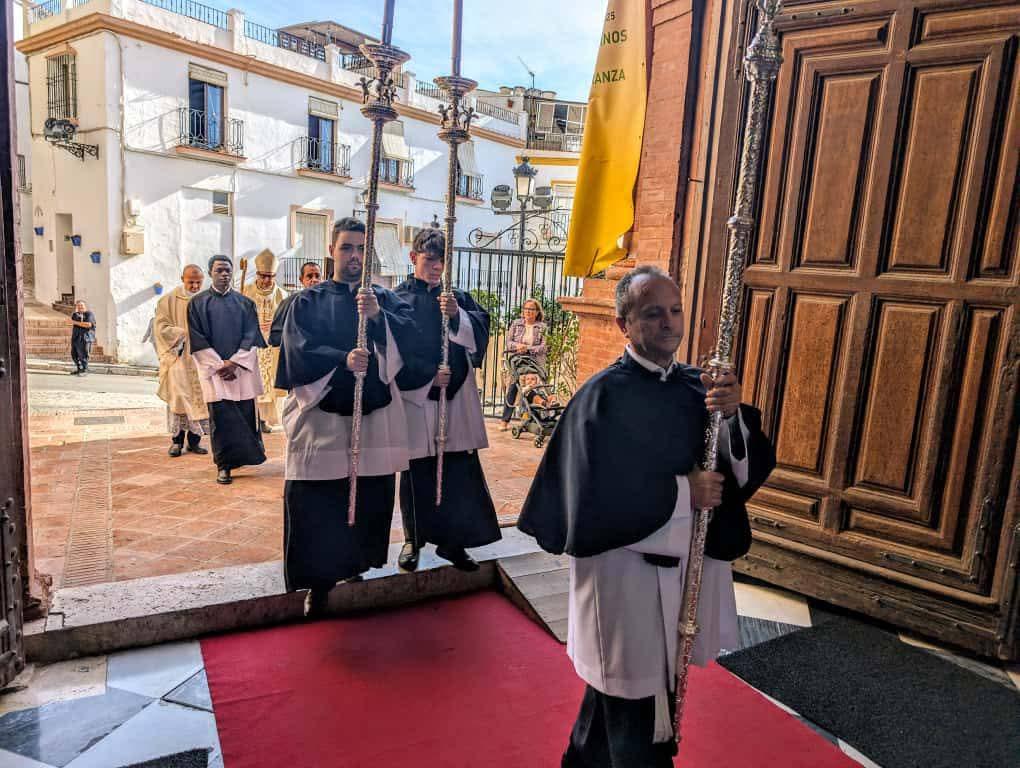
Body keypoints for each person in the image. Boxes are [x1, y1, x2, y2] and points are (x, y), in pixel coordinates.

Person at [517, 265, 776, 767]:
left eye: (675, 311)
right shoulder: (601, 397)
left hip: (680, 574)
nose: (668, 323)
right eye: (652, 313)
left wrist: (730, 415)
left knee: (622, 694)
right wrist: (683, 493)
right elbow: (592, 492)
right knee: (634, 707)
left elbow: (740, 471)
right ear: (624, 324)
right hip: (623, 579)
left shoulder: (695, 389)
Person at [276, 218, 415, 618]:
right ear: (331, 252)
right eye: (346, 248)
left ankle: (354, 565)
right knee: (318, 503)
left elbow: (411, 340)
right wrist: (342, 360)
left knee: (367, 496)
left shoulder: (384, 300)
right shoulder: (308, 301)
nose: (354, 256)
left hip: (371, 421)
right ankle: (318, 583)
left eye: (360, 249)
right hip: (324, 420)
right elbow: (297, 350)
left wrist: (376, 319)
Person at [393, 228, 500, 573]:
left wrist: (456, 315)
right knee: (416, 472)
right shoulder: (397, 300)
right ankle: (413, 539)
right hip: (418, 398)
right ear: (413, 259)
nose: (436, 267)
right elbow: (392, 351)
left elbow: (481, 332)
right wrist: (426, 376)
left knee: (457, 470)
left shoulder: (457, 297)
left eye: (442, 260)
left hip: (455, 399)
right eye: (429, 260)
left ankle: (454, 543)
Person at [188, 255, 268, 485]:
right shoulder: (197, 304)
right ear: (210, 273)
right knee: (221, 421)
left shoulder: (246, 303)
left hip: (240, 371)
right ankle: (223, 465)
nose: (224, 274)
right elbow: (197, 338)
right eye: (219, 270)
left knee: (243, 417)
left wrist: (234, 362)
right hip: (215, 373)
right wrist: (218, 366)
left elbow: (252, 336)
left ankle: (240, 459)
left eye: (227, 271)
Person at [153, 264, 209, 457]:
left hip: (201, 358)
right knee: (179, 398)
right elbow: (160, 327)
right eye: (191, 282)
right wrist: (180, 333)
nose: (194, 286)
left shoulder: (207, 300)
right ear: (182, 278)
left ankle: (195, 442)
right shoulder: (168, 300)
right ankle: (176, 442)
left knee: (198, 398)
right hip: (178, 356)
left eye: (198, 282)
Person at [243, 249, 288, 432]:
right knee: (252, 383)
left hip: (271, 347)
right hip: (252, 345)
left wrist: (276, 325)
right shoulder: (245, 292)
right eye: (263, 276)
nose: (267, 280)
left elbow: (286, 321)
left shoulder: (282, 295)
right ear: (257, 274)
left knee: (268, 385)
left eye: (271, 276)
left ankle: (263, 420)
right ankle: (251, 419)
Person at [500, 297, 547, 429]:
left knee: (531, 386)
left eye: (532, 309)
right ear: (523, 311)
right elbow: (509, 342)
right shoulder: (516, 324)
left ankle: (529, 417)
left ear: (537, 312)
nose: (528, 312)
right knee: (514, 387)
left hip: (534, 361)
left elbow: (543, 347)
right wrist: (518, 346)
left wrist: (528, 349)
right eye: (526, 309)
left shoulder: (542, 327)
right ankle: (504, 421)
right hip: (518, 360)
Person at [268, 261, 321, 348]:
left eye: (317, 276)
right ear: (301, 280)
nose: (314, 280)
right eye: (309, 276)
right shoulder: (288, 303)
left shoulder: (329, 303)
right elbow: (275, 338)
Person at [69, 300, 96, 375]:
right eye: (78, 305)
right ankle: (79, 368)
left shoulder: (89, 314)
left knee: (83, 354)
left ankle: (85, 370)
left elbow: (88, 325)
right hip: (75, 337)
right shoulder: (75, 314)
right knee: (74, 354)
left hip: (85, 337)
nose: (80, 307)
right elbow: (70, 321)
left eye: (81, 305)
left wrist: (75, 323)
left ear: (85, 306)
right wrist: (76, 321)